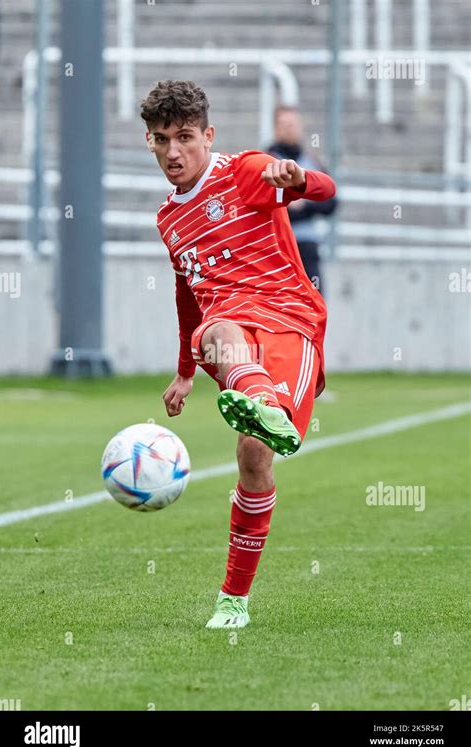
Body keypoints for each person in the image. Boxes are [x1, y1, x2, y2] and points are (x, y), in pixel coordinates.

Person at [141, 80, 336, 629]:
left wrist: (298, 176)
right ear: (149, 143)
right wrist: (184, 372)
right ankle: (232, 602)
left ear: (208, 134)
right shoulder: (168, 220)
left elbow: (325, 189)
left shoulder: (245, 171)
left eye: (184, 137)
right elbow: (187, 293)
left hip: (289, 325)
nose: (173, 152)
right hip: (229, 334)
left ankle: (265, 407)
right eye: (160, 140)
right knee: (218, 325)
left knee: (255, 455)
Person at [267, 105, 338, 292]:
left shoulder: (312, 161)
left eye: (293, 124)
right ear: (275, 128)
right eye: (285, 124)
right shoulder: (266, 161)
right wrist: (290, 203)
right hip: (277, 249)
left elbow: (331, 202)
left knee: (315, 304)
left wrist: (303, 204)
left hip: (308, 247)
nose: (290, 128)